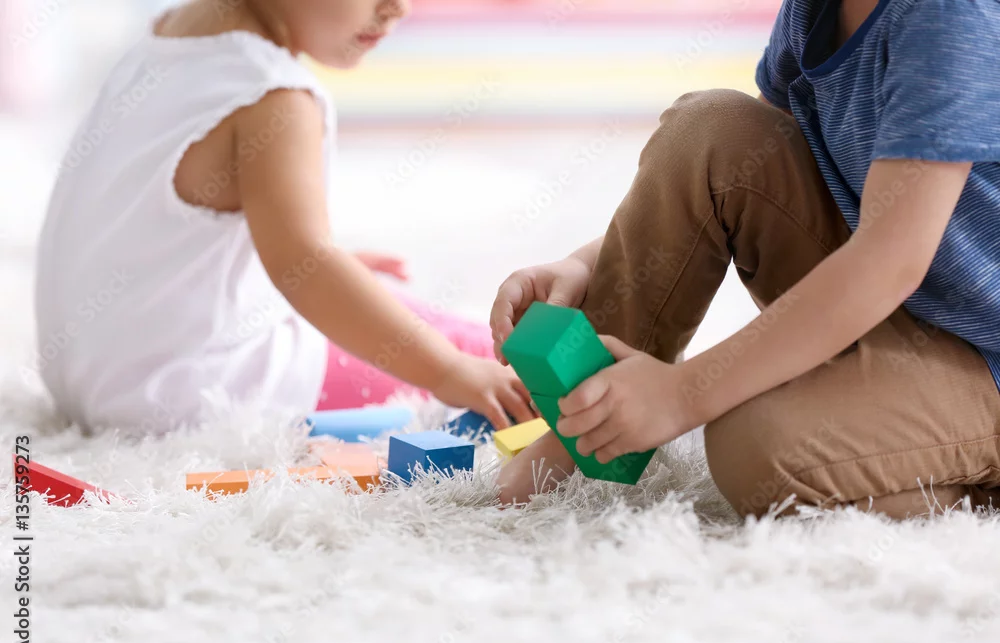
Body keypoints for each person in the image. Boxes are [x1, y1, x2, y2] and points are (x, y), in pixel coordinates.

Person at [491, 0, 1000, 519]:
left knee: (756, 444)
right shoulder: (815, 9)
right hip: (884, 302)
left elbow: (889, 263)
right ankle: (590, 418)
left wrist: (681, 396)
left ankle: (971, 483)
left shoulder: (948, 14)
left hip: (982, 358)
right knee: (712, 127)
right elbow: (742, 168)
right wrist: (587, 263)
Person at [33, 0, 533, 433]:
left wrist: (310, 264)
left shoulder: (166, 39)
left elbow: (152, 225)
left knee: (403, 314)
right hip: (189, 393)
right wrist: (449, 373)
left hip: (94, 377)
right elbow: (307, 269)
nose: (397, 8)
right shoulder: (272, 96)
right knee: (496, 366)